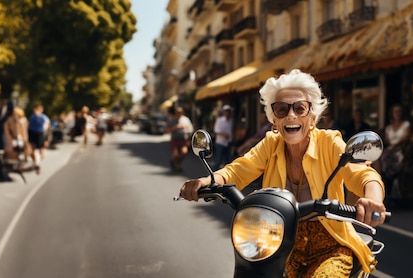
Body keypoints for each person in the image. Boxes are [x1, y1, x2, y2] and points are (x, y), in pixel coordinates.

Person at [180, 69, 387, 277]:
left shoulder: (330, 143)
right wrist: (206, 180)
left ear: (313, 116)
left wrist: (372, 200)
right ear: (274, 120)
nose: (291, 115)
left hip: (329, 246)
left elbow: (363, 175)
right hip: (277, 244)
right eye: (281, 109)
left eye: (300, 108)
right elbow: (238, 170)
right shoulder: (270, 144)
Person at [166, 106, 193, 172]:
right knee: (175, 154)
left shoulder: (186, 120)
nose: (179, 113)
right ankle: (177, 165)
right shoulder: (172, 120)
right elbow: (167, 130)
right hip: (175, 139)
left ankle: (175, 162)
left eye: (180, 112)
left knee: (184, 152)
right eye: (178, 112)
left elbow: (190, 129)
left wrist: (189, 139)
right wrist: (176, 128)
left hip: (183, 139)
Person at [27, 104, 50, 174]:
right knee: (35, 148)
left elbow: (47, 125)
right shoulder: (34, 117)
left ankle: (37, 162)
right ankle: (37, 162)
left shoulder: (41, 117)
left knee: (37, 148)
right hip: (36, 133)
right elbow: (46, 125)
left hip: (37, 133)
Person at [213, 104, 233, 170]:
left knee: (228, 161)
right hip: (220, 143)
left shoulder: (231, 120)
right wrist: (224, 135)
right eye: (226, 111)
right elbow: (216, 130)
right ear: (224, 112)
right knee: (218, 160)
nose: (227, 113)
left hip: (228, 143)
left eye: (228, 111)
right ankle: (212, 175)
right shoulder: (220, 120)